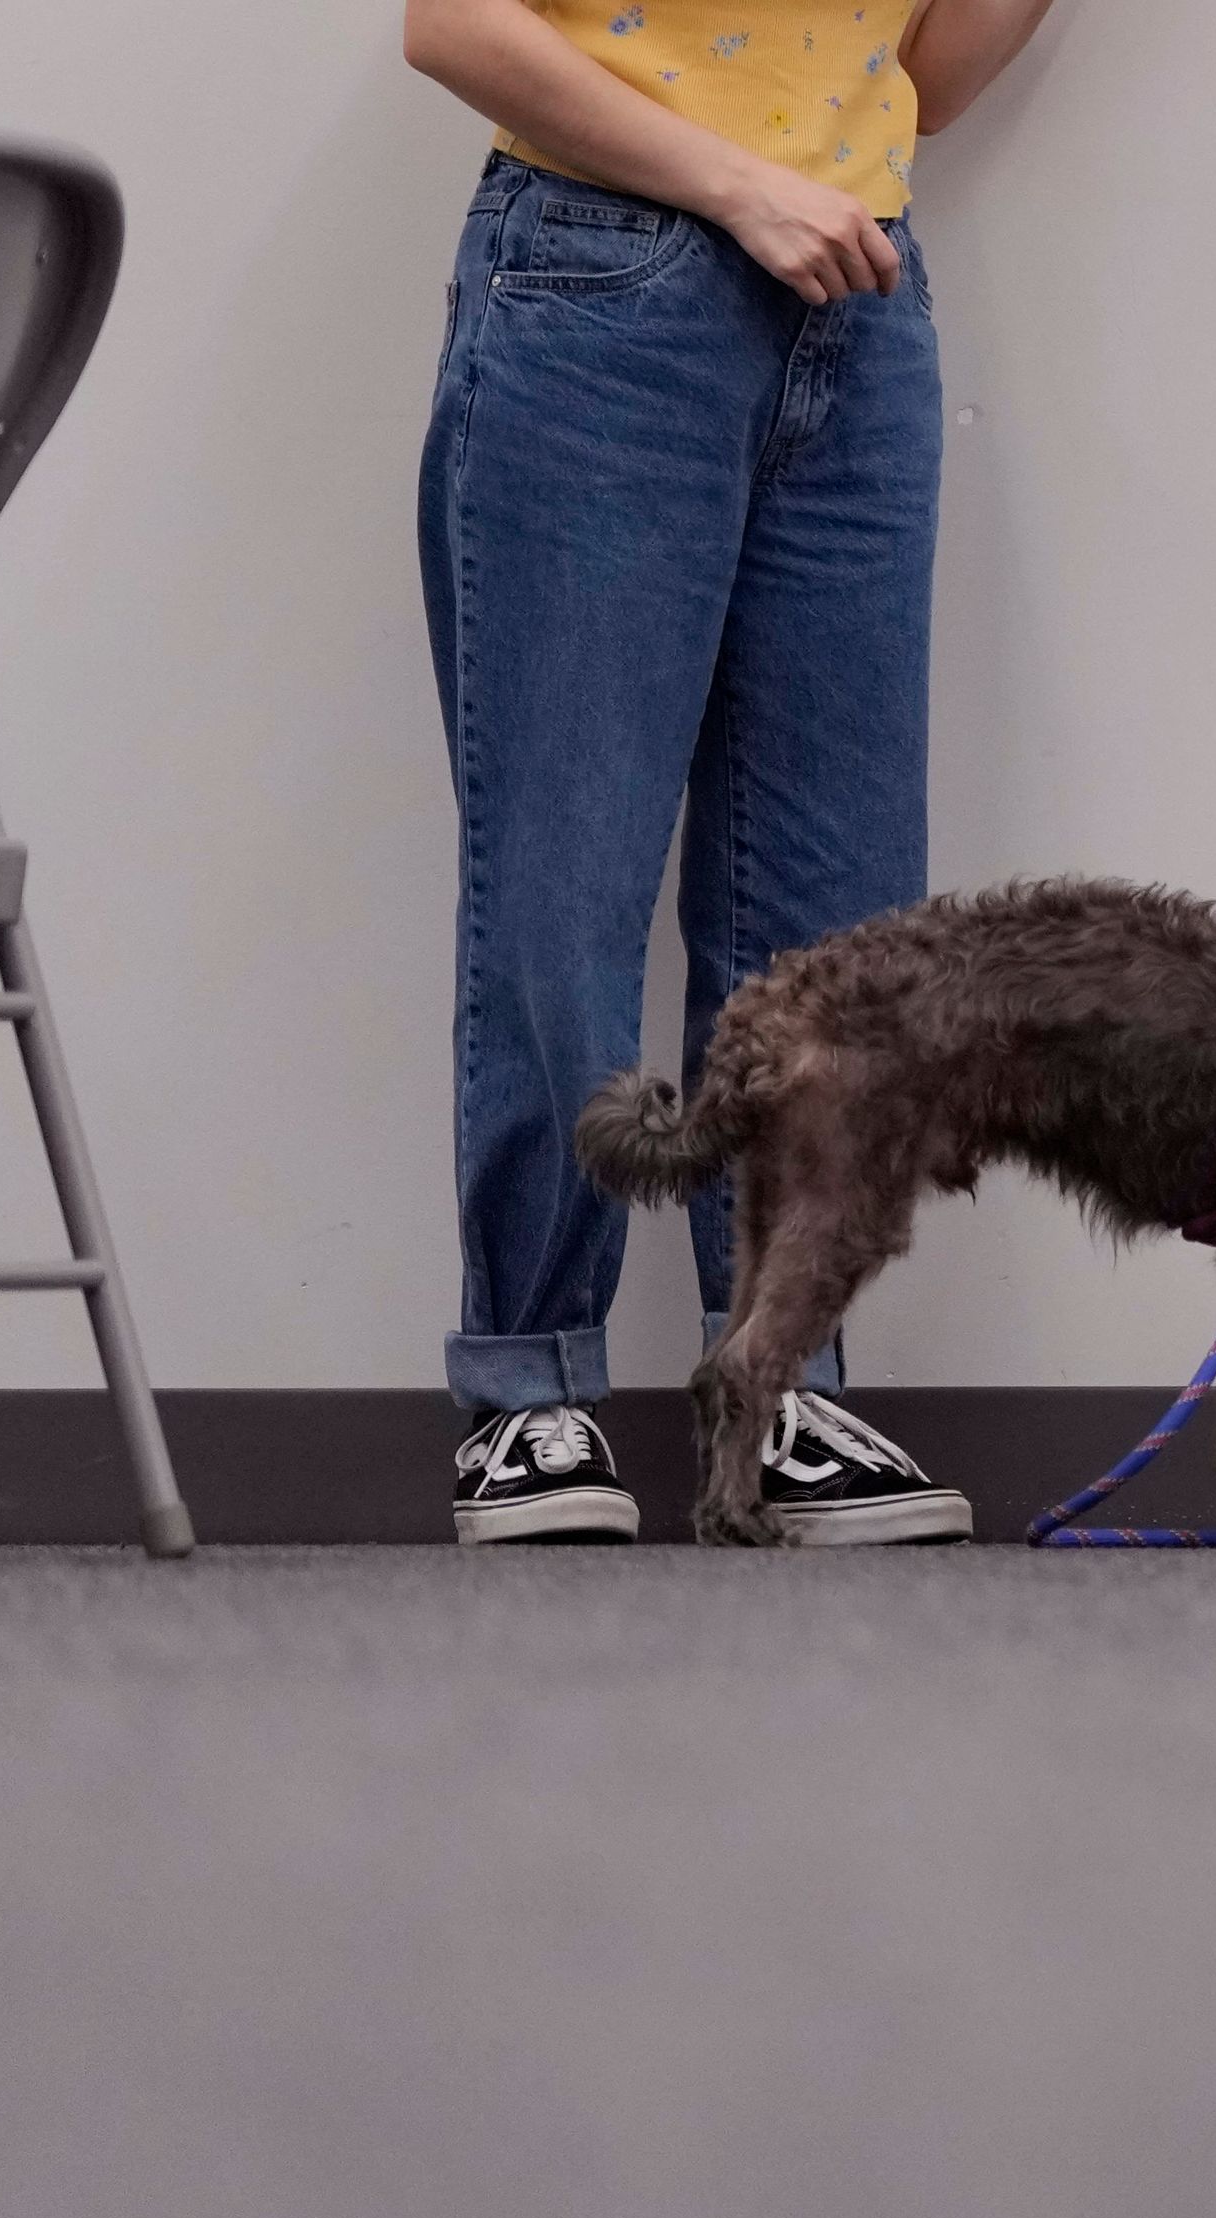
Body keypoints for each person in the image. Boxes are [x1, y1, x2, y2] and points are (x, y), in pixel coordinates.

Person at [404, 0, 1063, 1544]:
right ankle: (529, 1388)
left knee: (833, 911)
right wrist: (732, 185)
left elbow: (926, 83)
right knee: (565, 870)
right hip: (600, 283)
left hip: (860, 307)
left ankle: (777, 1383)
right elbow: (452, 24)